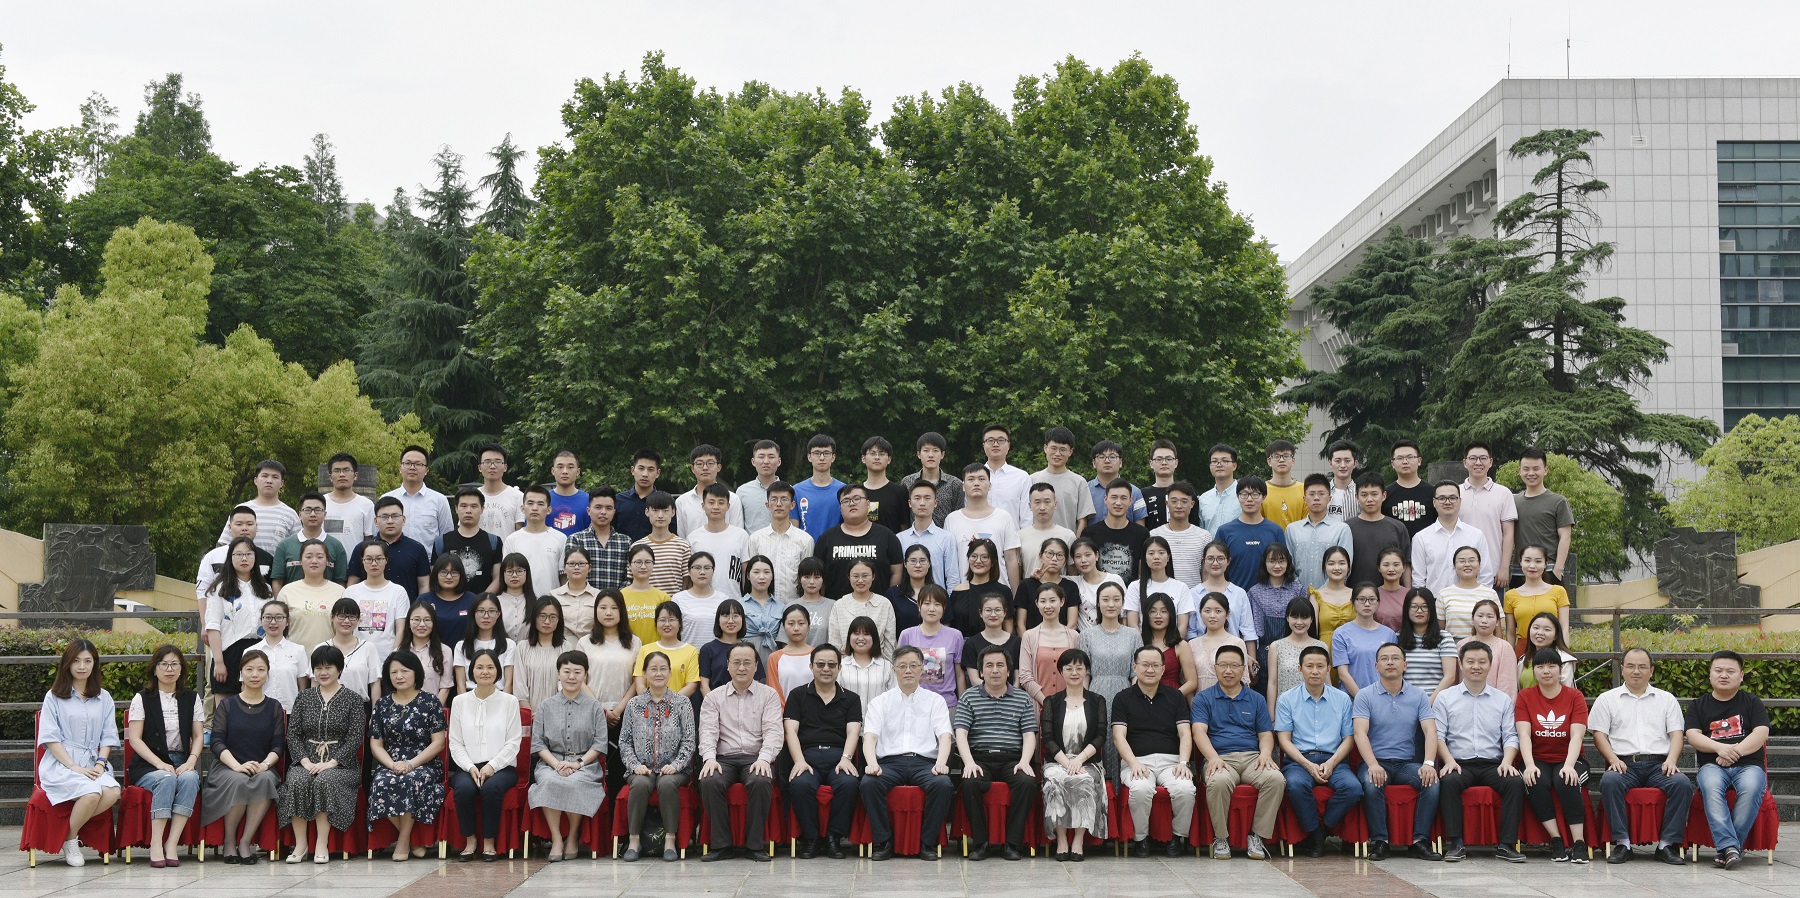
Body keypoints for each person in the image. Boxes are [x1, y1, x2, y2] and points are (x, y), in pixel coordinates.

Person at [1432, 641, 1527, 863]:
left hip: (1493, 764)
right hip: (1459, 763)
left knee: (1514, 783)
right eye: (1471, 661)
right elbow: (1437, 735)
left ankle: (1506, 845)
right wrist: (1448, 760)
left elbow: (1511, 735)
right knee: (1449, 781)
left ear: (1490, 665)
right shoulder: (1445, 698)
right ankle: (1456, 844)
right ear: (1461, 664)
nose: (1476, 666)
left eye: (1482, 662)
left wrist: (1507, 762)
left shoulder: (1502, 699)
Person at [859, 645, 955, 861]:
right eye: (902, 666)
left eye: (913, 665)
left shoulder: (935, 701)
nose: (908, 670)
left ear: (922, 669)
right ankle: (884, 842)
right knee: (869, 783)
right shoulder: (880, 702)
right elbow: (870, 737)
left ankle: (927, 843)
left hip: (924, 763)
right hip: (890, 763)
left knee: (943, 784)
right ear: (894, 670)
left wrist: (941, 763)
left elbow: (945, 736)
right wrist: (872, 763)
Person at [1351, 642, 1443, 861]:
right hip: (1376, 761)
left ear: (1405, 664)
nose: (1390, 662)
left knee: (1431, 782)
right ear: (1376, 666)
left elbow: (1430, 730)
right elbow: (1360, 733)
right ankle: (1380, 841)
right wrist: (1373, 764)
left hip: (1405, 764)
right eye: (1384, 659)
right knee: (1371, 784)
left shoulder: (1419, 695)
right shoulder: (1365, 695)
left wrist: (1428, 763)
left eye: (1395, 658)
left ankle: (1419, 841)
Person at [37, 639, 122, 867]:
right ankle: (72, 841)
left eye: (87, 661)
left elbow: (108, 736)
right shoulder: (54, 696)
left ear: (94, 664)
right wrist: (73, 767)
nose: (82, 666)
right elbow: (50, 738)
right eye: (76, 661)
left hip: (93, 762)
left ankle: (67, 834)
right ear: (67, 664)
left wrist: (100, 764)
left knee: (113, 792)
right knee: (92, 793)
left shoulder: (104, 697)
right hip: (62, 763)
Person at [1194, 644, 1283, 860]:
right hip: (1221, 758)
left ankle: (1257, 836)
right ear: (1215, 668)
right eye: (1223, 665)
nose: (1228, 670)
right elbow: (1198, 732)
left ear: (1243, 669)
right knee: (1218, 781)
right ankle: (1221, 838)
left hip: (1253, 758)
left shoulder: (1256, 699)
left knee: (1276, 779)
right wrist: (1212, 758)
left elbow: (1265, 734)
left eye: (1234, 666)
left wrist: (1265, 754)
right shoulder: (1203, 698)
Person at [279, 644, 365, 865]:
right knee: (297, 780)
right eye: (318, 668)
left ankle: (321, 843)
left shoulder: (353, 699)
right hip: (307, 759)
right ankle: (301, 844)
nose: (323, 672)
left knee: (325, 781)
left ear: (339, 669)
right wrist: (305, 761)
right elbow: (293, 734)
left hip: (342, 764)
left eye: (328, 667)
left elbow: (355, 737)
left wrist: (332, 762)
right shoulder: (304, 698)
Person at [696, 643, 782, 862]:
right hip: (724, 758)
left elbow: (773, 731)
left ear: (756, 666)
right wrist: (709, 758)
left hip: (756, 757)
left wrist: (765, 758)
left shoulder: (769, 695)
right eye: (736, 662)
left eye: (747, 663)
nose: (741, 668)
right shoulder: (714, 697)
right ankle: (721, 845)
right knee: (710, 780)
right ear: (727, 666)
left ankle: (755, 846)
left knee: (760, 780)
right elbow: (707, 731)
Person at [1685, 650, 1771, 870]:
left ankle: (1727, 848)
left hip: (1749, 765)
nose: (1724, 675)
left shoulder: (1752, 702)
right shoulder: (1698, 704)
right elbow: (1693, 735)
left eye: (1730, 671)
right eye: (1718, 670)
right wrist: (1720, 749)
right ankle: (1732, 848)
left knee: (1751, 788)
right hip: (1712, 765)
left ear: (1741, 676)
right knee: (1711, 787)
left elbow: (1761, 732)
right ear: (1710, 674)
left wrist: (1735, 752)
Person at [1274, 646, 1362, 857]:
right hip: (1299, 760)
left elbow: (1348, 739)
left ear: (1328, 669)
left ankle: (1322, 829)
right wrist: (1307, 765)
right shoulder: (1286, 699)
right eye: (1309, 666)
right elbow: (1284, 740)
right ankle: (1315, 834)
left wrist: (1331, 763)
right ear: (1300, 669)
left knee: (1353, 789)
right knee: (1295, 785)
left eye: (1320, 666)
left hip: (1335, 759)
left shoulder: (1342, 699)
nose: (1315, 671)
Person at [954, 645, 1040, 861]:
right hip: (979, 758)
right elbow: (961, 733)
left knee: (1027, 783)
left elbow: (1029, 734)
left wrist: (1025, 761)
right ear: (981, 671)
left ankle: (1012, 844)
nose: (995, 670)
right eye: (989, 665)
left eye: (1000, 665)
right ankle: (980, 843)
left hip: (1012, 759)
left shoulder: (1022, 698)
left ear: (1008, 671)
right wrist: (969, 763)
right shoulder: (969, 697)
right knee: (970, 783)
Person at [202, 649, 285, 865]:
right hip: (227, 767)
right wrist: (237, 766)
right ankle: (229, 841)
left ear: (267, 674)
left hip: (261, 766)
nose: (255, 674)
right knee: (239, 780)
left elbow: (278, 745)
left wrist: (265, 765)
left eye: (261, 670)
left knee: (265, 780)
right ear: (241, 673)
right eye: (249, 669)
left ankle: (245, 842)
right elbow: (217, 742)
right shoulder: (227, 705)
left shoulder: (274, 707)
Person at [1112, 645, 1195, 858]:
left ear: (1163, 669)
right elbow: (1119, 737)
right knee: (1140, 789)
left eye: (1155, 665)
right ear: (1135, 667)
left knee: (1186, 789)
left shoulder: (1176, 697)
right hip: (1137, 761)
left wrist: (1183, 763)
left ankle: (1177, 837)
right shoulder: (1122, 698)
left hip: (1171, 762)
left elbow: (1185, 733)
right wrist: (1134, 763)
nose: (1150, 670)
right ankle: (1141, 839)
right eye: (1145, 665)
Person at [366, 652, 447, 862]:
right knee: (381, 783)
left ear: (416, 673)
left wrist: (411, 764)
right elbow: (376, 744)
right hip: (390, 762)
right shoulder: (382, 705)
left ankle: (403, 842)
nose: (399, 676)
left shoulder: (430, 702)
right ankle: (412, 841)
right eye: (393, 672)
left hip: (424, 762)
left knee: (410, 780)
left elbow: (438, 743)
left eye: (404, 671)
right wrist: (392, 764)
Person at [783, 643, 862, 859]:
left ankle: (834, 838)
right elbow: (791, 731)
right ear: (811, 667)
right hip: (807, 756)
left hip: (839, 756)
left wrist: (846, 758)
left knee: (849, 784)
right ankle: (812, 838)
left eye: (831, 665)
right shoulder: (797, 695)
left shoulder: (851, 698)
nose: (826, 669)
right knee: (800, 785)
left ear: (839, 668)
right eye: (820, 664)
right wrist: (799, 761)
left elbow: (853, 732)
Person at [126, 645, 202, 867]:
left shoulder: (191, 698)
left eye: (174, 664)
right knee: (166, 778)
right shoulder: (142, 698)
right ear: (155, 668)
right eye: (164, 664)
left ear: (181, 669)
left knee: (190, 779)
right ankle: (156, 843)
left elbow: (198, 735)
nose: (169, 669)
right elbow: (135, 739)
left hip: (181, 760)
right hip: (148, 765)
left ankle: (172, 843)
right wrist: (159, 763)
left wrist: (192, 760)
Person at [529, 650, 608, 862]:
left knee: (575, 782)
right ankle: (556, 838)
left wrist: (578, 764)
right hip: (551, 763)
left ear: (585, 675)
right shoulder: (546, 706)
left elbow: (600, 743)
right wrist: (556, 765)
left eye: (577, 672)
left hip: (585, 764)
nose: (571, 676)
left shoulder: (595, 707)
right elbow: (538, 743)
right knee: (548, 782)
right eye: (566, 671)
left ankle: (572, 837)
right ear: (558, 673)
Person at [618, 651, 696, 862]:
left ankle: (670, 840)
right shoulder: (634, 704)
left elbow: (689, 740)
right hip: (641, 768)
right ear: (645, 673)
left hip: (675, 769)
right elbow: (624, 741)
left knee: (667, 783)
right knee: (640, 784)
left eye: (663, 669)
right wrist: (634, 765)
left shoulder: (682, 703)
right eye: (653, 669)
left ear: (670, 672)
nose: (658, 673)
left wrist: (677, 765)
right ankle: (634, 840)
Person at [1514, 647, 1590, 863]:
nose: (1546, 671)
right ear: (1534, 671)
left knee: (1566, 779)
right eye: (1540, 666)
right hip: (1538, 758)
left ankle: (1579, 842)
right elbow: (1524, 734)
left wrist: (1569, 765)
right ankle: (1556, 839)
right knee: (1534, 780)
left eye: (1551, 666)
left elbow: (1577, 735)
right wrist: (1529, 765)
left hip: (1570, 758)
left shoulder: (1575, 696)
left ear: (1560, 669)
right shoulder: (1525, 696)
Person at [447, 649, 522, 861]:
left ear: (498, 671)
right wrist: (470, 767)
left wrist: (492, 766)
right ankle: (470, 841)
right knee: (463, 789)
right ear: (472, 671)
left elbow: (513, 742)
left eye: (490, 667)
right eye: (479, 667)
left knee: (491, 788)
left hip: (502, 767)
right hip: (467, 766)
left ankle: (489, 842)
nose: (485, 672)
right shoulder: (459, 701)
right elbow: (455, 742)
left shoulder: (509, 701)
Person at [1041, 648, 1107, 861]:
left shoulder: (1097, 701)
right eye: (1069, 668)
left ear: (1087, 670)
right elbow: (1048, 738)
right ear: (1061, 672)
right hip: (1057, 760)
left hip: (1087, 760)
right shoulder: (1051, 702)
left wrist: (1078, 760)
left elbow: (1100, 736)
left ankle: (1078, 840)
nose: (1074, 672)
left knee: (1085, 780)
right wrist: (1066, 762)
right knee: (1054, 780)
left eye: (1079, 668)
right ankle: (1061, 840)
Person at [205, 536, 275, 702]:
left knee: (258, 705)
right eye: (239, 554)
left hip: (259, 652)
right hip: (229, 653)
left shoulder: (265, 589)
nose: (244, 558)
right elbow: (213, 626)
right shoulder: (219, 589)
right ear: (230, 558)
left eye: (249, 554)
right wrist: (219, 662)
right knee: (226, 708)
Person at [814, 484, 905, 597]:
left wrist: (889, 601)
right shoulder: (826, 539)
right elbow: (818, 575)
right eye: (846, 501)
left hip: (878, 605)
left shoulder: (887, 536)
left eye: (857, 498)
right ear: (840, 508)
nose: (852, 503)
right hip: (836, 605)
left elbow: (896, 572)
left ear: (868, 503)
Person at [945, 465, 1023, 590]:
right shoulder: (952, 519)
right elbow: (950, 562)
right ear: (963, 486)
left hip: (998, 593)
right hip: (965, 592)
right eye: (971, 479)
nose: (976, 483)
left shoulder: (1004, 517)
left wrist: (1015, 595)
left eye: (981, 479)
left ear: (990, 485)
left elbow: (1011, 559)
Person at [1412, 482, 1495, 594]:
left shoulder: (1476, 535)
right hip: (1434, 600)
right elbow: (1418, 580)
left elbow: (1485, 575)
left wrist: (1481, 599)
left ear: (1460, 501)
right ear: (1434, 502)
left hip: (1470, 599)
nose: (1447, 502)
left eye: (1452, 498)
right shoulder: (1421, 538)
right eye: (1442, 498)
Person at [347, 497, 432, 600]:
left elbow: (424, 586)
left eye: (395, 516)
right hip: (367, 607)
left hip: (407, 608)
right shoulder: (362, 548)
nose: (390, 521)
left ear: (404, 519)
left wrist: (419, 608)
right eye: (384, 517)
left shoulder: (417, 549)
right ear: (376, 521)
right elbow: (352, 584)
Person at [1511, 448, 1573, 587]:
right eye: (1526, 469)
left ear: (1545, 470)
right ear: (1519, 471)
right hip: (1519, 571)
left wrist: (1558, 570)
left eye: (1536, 468)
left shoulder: (1558, 502)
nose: (1531, 473)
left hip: (1548, 570)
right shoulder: (1512, 501)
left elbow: (1565, 537)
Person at [1458, 442, 1515, 590]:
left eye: (1483, 458)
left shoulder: (1503, 493)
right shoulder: (1455, 493)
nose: (1478, 463)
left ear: (1490, 462)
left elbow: (1508, 533)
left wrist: (1504, 568)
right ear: (1465, 462)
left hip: (1492, 572)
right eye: (1473, 458)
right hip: (1458, 571)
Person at [1214, 477, 1286, 594]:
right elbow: (1216, 567)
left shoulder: (1275, 531)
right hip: (1233, 597)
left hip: (1268, 598)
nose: (1249, 499)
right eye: (1244, 494)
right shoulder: (1225, 531)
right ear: (1237, 497)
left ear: (1264, 497)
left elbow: (1284, 567)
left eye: (1255, 494)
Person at [747, 481, 815, 601]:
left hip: (794, 606)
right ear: (767, 504)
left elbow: (807, 578)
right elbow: (752, 576)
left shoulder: (805, 540)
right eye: (774, 499)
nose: (779, 504)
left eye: (784, 499)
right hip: (763, 605)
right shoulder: (756, 539)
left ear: (792, 504)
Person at [1247, 543, 1308, 678]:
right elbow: (1249, 628)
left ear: (1288, 563)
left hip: (1293, 651)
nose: (1277, 566)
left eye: (1281, 561)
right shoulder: (1254, 592)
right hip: (1263, 653)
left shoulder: (1298, 590)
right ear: (1265, 563)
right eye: (1272, 561)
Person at [898, 585, 963, 709]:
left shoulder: (955, 635)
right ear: (919, 606)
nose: (932, 609)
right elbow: (899, 671)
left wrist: (962, 705)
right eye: (927, 603)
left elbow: (959, 674)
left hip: (946, 705)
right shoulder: (907, 635)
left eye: (937, 604)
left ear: (944, 608)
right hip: (914, 704)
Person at [582, 591, 639, 732]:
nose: (608, 613)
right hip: (592, 711)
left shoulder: (635, 642)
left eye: (614, 608)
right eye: (603, 608)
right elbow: (580, 681)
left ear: (622, 611)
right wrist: (602, 710)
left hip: (626, 712)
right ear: (595, 611)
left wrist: (619, 710)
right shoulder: (585, 642)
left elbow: (637, 679)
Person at [218, 459, 301, 554]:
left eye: (275, 477)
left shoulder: (290, 514)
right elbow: (223, 546)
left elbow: (298, 550)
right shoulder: (241, 510)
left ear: (282, 483)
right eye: (265, 476)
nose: (269, 481)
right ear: (255, 480)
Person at [1286, 474, 1352, 593]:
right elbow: (1288, 567)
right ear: (1304, 498)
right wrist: (1300, 591)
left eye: (1321, 494)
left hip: (1331, 597)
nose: (1316, 498)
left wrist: (1321, 594)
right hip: (1298, 597)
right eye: (1311, 494)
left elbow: (1345, 567)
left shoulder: (1341, 529)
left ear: (1329, 498)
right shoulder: (1292, 529)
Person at [343, 540, 409, 659]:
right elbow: (343, 627)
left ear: (386, 560)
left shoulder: (398, 591)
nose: (374, 563)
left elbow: (401, 629)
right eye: (368, 559)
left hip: (387, 657)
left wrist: (394, 657)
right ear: (362, 561)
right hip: (355, 657)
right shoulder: (351, 592)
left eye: (379, 559)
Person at [383, 446, 453, 557]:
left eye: (418, 464)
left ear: (426, 470)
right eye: (407, 463)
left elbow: (447, 537)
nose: (412, 467)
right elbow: (378, 534)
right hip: (392, 562)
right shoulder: (386, 499)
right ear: (400, 468)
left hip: (428, 564)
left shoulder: (439, 500)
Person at [197, 506, 274, 608]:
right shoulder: (212, 557)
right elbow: (202, 591)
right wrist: (204, 618)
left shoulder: (267, 558)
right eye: (239, 524)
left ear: (256, 527)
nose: (244, 528)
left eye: (249, 524)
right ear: (229, 527)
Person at [1079, 582, 1142, 706]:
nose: (1111, 604)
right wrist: (1083, 701)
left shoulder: (1133, 635)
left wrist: (1134, 700)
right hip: (1095, 696)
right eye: (1105, 600)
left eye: (1116, 600)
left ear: (1123, 603)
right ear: (1098, 603)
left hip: (1126, 696)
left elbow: (1137, 673)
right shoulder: (1086, 635)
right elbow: (1084, 673)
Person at [1186, 540, 1258, 646]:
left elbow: (1248, 632)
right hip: (1201, 652)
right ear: (1204, 561)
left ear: (1228, 561)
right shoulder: (1193, 593)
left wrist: (1250, 656)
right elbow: (1191, 632)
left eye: (1220, 558)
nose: (1215, 563)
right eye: (1210, 558)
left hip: (1234, 652)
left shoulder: (1239, 593)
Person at [270, 492, 348, 589]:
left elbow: (340, 582)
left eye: (318, 510)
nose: (312, 514)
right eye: (307, 510)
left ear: (325, 514)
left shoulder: (336, 546)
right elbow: (277, 581)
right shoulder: (284, 546)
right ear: (300, 514)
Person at [686, 483, 751, 599]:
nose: (716, 507)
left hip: (734, 601)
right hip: (702, 602)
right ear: (703, 505)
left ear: (728, 506)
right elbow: (690, 576)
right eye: (711, 502)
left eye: (721, 503)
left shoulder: (741, 536)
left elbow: (745, 572)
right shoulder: (693, 539)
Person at [1019, 582, 1080, 703]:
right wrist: (1046, 703)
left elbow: (1081, 671)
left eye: (1052, 600)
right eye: (1043, 601)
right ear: (1037, 603)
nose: (1048, 606)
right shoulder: (1029, 636)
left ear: (1062, 602)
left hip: (1070, 705)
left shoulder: (1074, 636)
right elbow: (1025, 676)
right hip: (1039, 704)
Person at [1349, 473, 1411, 591]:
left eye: (1374, 494)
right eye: (1364, 495)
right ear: (1357, 497)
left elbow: (1406, 564)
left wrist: (1408, 593)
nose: (1369, 499)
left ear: (1384, 495)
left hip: (1391, 593)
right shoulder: (1347, 528)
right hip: (1355, 594)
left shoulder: (1398, 528)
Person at [1332, 584, 1397, 697]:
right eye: (1362, 599)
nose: (1367, 604)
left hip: (1383, 698)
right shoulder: (1341, 633)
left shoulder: (1389, 634)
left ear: (1378, 603)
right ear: (1352, 602)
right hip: (1352, 698)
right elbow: (1343, 674)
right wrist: (1362, 700)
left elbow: (1393, 670)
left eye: (1372, 599)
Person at [505, 486, 569, 601]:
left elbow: (563, 576)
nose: (535, 508)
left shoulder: (561, 538)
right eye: (530, 503)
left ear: (549, 510)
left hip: (551, 603)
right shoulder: (512, 540)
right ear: (522, 508)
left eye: (540, 504)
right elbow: (507, 575)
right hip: (521, 603)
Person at [436, 487, 503, 594]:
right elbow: (434, 577)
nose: (468, 511)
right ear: (456, 508)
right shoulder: (441, 542)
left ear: (482, 509)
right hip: (449, 601)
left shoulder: (494, 542)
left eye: (474, 506)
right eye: (463, 506)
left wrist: (482, 600)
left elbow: (498, 578)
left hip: (483, 602)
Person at [1265, 597, 1327, 713]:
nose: (1299, 622)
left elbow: (1326, 682)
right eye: (1294, 617)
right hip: (1285, 711)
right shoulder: (1276, 646)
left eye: (1304, 617)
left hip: (1316, 710)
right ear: (1287, 618)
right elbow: (1272, 683)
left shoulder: (1321, 646)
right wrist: (1271, 715)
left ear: (1312, 619)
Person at [1030, 426, 1097, 533]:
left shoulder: (1079, 482)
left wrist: (1075, 542)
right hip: (1036, 540)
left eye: (1063, 449)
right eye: (1053, 448)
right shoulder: (1032, 479)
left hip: (1068, 541)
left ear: (1070, 451)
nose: (1057, 453)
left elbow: (1082, 520)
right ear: (1045, 448)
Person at [284, 539, 349, 648]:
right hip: (294, 655)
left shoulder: (340, 592)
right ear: (301, 560)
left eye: (320, 557)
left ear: (327, 561)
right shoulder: (287, 591)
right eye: (308, 557)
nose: (314, 561)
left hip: (330, 655)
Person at [317, 597, 382, 705]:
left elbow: (375, 684)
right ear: (332, 617)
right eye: (342, 616)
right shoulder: (321, 648)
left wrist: (375, 712)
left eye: (352, 617)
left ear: (358, 619)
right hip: (327, 707)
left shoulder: (368, 648)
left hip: (360, 707)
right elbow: (315, 683)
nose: (346, 621)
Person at [1505, 545, 1570, 653]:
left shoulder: (1558, 591)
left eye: (1538, 561)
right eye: (1527, 560)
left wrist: (1564, 654)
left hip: (1551, 650)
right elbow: (1510, 633)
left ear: (1545, 564)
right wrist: (1509, 657)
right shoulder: (1510, 595)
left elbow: (1564, 628)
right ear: (1520, 562)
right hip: (1522, 651)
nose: (1532, 565)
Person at [827, 559, 897, 657]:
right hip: (846, 662)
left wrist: (887, 665)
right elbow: (834, 643)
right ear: (849, 577)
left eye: (865, 576)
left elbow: (890, 643)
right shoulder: (839, 605)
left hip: (878, 662)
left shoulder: (884, 604)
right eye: (855, 576)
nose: (860, 580)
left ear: (873, 576)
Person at [567, 486, 632, 593]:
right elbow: (571, 575)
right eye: (598, 507)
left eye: (608, 508)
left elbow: (629, 577)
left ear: (614, 512)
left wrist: (614, 598)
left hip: (618, 600)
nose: (603, 512)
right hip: (584, 599)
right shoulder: (576, 540)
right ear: (588, 511)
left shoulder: (626, 542)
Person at [1398, 589, 1458, 700]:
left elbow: (1450, 677)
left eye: (1424, 607)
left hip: (1436, 701)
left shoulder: (1444, 638)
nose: (1419, 611)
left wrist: (1428, 704)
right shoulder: (1397, 638)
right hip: (1404, 701)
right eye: (1414, 607)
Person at [1149, 481, 1210, 587]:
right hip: (1161, 595)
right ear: (1167, 504)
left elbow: (1206, 573)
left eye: (1184, 501)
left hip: (1194, 595)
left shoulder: (1204, 536)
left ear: (1192, 504)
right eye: (1174, 501)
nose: (1179, 506)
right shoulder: (1154, 535)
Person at [1124, 535, 1191, 633]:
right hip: (1143, 641)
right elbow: (1133, 625)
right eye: (1151, 553)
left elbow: (1182, 625)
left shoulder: (1181, 587)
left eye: (1161, 553)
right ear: (1144, 558)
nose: (1156, 557)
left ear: (1168, 557)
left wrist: (1174, 642)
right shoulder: (1135, 587)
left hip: (1173, 641)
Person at [1086, 480, 1150, 583]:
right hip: (1096, 591)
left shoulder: (1141, 534)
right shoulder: (1089, 533)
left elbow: (1143, 573)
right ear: (1105, 499)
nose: (1118, 503)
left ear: (1130, 501)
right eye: (1114, 497)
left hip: (1129, 592)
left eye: (1123, 498)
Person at [633, 602, 700, 698]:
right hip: (649, 705)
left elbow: (691, 686)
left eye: (671, 620)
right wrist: (653, 702)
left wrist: (670, 702)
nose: (667, 624)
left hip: (678, 704)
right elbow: (640, 685)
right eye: (662, 620)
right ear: (656, 623)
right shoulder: (645, 650)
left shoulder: (691, 651)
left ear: (680, 623)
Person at [517, 597, 574, 710]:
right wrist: (530, 712)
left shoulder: (566, 648)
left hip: (559, 711)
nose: (547, 622)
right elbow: (520, 685)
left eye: (553, 617)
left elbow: (567, 684)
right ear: (534, 617)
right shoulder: (522, 648)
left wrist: (549, 712)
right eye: (542, 616)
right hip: (529, 713)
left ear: (559, 620)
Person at [631, 491, 691, 597]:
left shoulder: (683, 546)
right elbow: (632, 579)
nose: (660, 515)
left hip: (675, 604)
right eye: (655, 510)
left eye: (665, 511)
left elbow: (687, 580)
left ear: (673, 512)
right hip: (645, 602)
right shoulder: (636, 547)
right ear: (647, 512)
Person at [675, 444, 745, 536]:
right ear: (692, 469)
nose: (705, 468)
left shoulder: (732, 499)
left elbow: (738, 535)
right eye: (699, 464)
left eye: (710, 463)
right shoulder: (682, 501)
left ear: (719, 467)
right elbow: (681, 537)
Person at [454, 594, 517, 695]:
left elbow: (508, 683)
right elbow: (460, 684)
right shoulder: (461, 646)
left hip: (499, 696)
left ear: (498, 614)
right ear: (473, 614)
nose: (486, 616)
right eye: (481, 611)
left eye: (491, 611)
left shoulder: (509, 644)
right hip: (470, 697)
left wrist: (504, 702)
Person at [1137, 593, 1197, 698]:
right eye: (1152, 611)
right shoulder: (1139, 642)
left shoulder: (1180, 645)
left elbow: (1192, 682)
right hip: (1144, 699)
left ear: (1171, 615)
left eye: (1164, 611)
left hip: (1172, 700)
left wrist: (1172, 698)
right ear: (1146, 615)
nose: (1158, 615)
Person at [948, 539, 1011, 637]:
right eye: (974, 556)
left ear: (993, 561)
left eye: (984, 557)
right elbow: (949, 626)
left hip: (993, 644)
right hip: (960, 643)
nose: (978, 561)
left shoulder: (1003, 591)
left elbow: (1008, 629)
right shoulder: (958, 590)